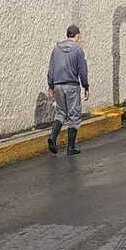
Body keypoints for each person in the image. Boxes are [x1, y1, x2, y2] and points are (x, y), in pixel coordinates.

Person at [47, 24, 90, 155]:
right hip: (72, 86)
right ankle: (71, 147)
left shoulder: (56, 49)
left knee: (61, 113)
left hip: (58, 85)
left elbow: (51, 69)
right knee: (74, 115)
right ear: (77, 35)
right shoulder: (78, 49)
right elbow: (82, 71)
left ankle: (52, 138)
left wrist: (51, 85)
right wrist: (86, 86)